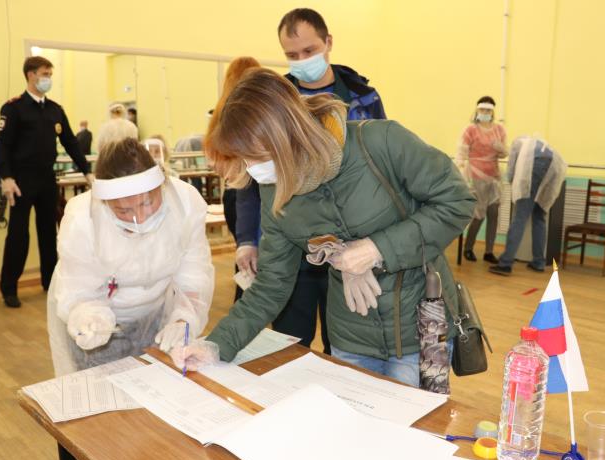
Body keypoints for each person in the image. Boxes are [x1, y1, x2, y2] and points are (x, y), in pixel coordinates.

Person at [174, 69, 474, 386]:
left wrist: (376, 249)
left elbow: (457, 201)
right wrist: (216, 345)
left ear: (284, 135)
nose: (252, 169)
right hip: (350, 338)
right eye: (244, 159)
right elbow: (271, 284)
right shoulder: (274, 190)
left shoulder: (381, 142)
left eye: (255, 157)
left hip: (421, 328)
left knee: (422, 417)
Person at [234, 8, 389, 354]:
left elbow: (380, 170)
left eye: (309, 50)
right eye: (291, 55)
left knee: (345, 343)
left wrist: (376, 244)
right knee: (288, 342)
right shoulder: (274, 101)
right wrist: (247, 239)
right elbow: (251, 179)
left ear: (328, 42)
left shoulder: (363, 97)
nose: (302, 61)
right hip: (293, 241)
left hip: (350, 246)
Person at [47, 137, 214, 377]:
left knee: (156, 384)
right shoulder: (82, 221)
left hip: (157, 316)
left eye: (148, 203)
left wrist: (183, 319)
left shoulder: (185, 204)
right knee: (103, 391)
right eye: (124, 211)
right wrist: (88, 317)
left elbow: (194, 274)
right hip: (104, 327)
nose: (140, 217)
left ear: (161, 186)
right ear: (105, 203)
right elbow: (78, 291)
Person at [0, 56, 92, 308]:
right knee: (18, 235)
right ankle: (9, 288)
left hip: (47, 179)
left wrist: (87, 172)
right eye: (45, 74)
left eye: (50, 74)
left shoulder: (55, 110)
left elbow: (70, 142)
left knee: (49, 232)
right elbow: (2, 145)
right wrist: (6, 177)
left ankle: (50, 283)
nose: (48, 78)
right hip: (21, 181)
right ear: (31, 75)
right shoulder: (14, 108)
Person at [206, 56, 263, 302]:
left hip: (234, 194)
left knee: (246, 260)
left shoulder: (219, 115)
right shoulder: (249, 114)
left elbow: (215, 161)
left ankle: (244, 308)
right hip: (249, 195)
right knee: (252, 263)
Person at [489, 136, 567, 276]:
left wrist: (515, 189)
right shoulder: (536, 142)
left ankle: (505, 263)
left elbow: (511, 172)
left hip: (535, 167)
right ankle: (539, 262)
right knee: (539, 217)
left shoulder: (517, 144)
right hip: (554, 167)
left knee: (520, 218)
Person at [455, 96, 508, 264]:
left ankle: (489, 251)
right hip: (475, 176)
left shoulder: (499, 130)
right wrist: (460, 169)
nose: (485, 113)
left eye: (488, 110)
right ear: (477, 110)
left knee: (494, 213)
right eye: (482, 110)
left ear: (492, 112)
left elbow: (504, 153)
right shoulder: (471, 130)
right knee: (478, 215)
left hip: (494, 177)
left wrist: (501, 148)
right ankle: (468, 248)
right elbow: (461, 152)